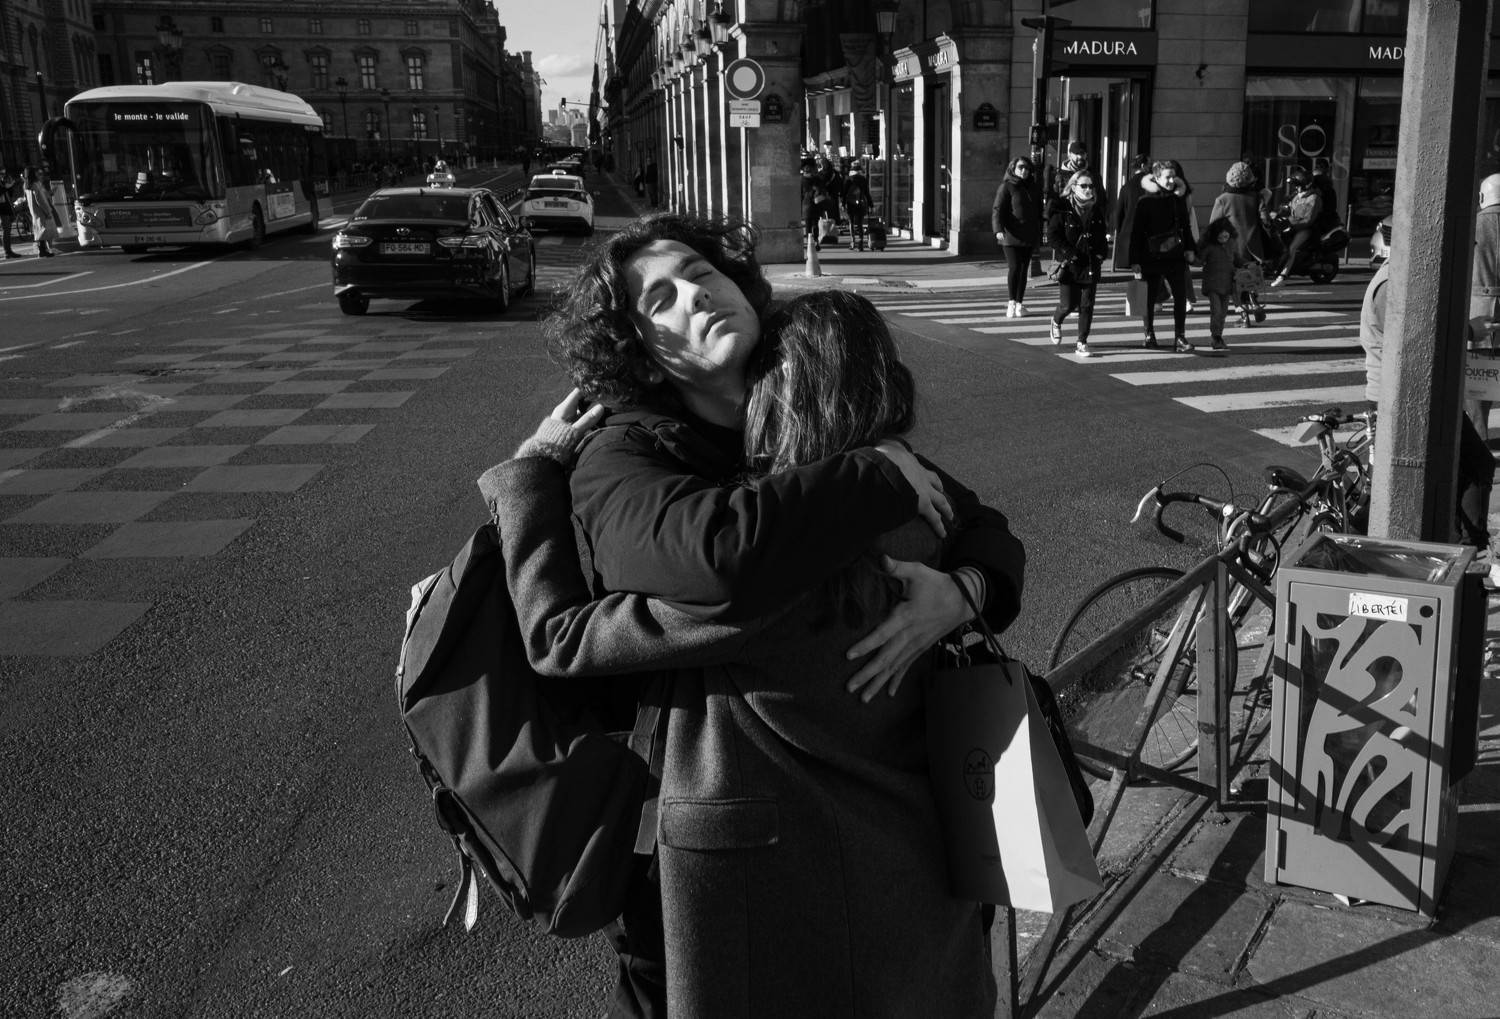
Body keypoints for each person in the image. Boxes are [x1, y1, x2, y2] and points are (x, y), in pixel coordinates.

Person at [518, 213, 1025, 1019]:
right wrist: (875, 472)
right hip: (744, 856)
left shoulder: (801, 410)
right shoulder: (627, 454)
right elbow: (715, 560)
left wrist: (964, 590)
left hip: (890, 841)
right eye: (659, 299)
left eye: (702, 273)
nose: (694, 295)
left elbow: (983, 529)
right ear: (637, 349)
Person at [1360, 232, 1494, 555]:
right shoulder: (1391, 284)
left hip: (1417, 394)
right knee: (1465, 466)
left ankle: (1464, 545)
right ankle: (1465, 548)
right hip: (1403, 398)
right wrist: (1468, 330)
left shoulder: (1404, 277)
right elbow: (1416, 340)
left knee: (1468, 466)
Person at [1129, 159, 1198, 351]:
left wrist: (1190, 249)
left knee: (1180, 296)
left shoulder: (1178, 199)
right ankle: (1149, 334)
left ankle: (1180, 337)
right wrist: (1134, 260)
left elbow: (1186, 227)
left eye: (1173, 176)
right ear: (1157, 178)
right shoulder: (1145, 201)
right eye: (1167, 177)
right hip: (1151, 256)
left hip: (1175, 255)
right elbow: (1136, 232)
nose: (1171, 181)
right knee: (1149, 298)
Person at [1046, 170, 1108, 358]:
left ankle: (1082, 342)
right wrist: (1069, 253)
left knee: (1086, 305)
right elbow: (1053, 236)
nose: (1088, 189)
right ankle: (1056, 321)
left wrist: (1101, 254)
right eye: (1084, 186)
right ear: (1073, 187)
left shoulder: (1095, 209)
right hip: (1070, 264)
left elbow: (1101, 235)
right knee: (1068, 305)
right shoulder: (1062, 208)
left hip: (1090, 264)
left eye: (1091, 186)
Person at [992, 155, 1042, 317]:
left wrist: (1040, 230)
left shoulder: (1033, 187)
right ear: (1013, 168)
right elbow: (997, 209)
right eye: (1021, 167)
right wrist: (998, 229)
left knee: (1023, 270)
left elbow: (1038, 212)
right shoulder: (1007, 187)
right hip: (1010, 235)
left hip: (1028, 235)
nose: (1024, 171)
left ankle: (1020, 304)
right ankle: (1011, 302)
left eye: (1027, 168)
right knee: (1014, 267)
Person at [1470, 173, 1500, 442]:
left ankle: (1479, 450)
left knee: (1477, 396)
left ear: (1482, 197)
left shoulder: (1474, 226)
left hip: (1480, 318)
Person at [1271, 166, 1321, 287]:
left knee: (1291, 248)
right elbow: (1287, 208)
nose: (1296, 188)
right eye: (1295, 185)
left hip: (1305, 228)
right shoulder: (1296, 196)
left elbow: (1308, 220)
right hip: (1292, 225)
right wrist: (1277, 214)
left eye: (1298, 185)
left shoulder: (1313, 198)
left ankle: (1282, 276)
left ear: (1306, 185)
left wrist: (1292, 225)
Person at [1200, 216, 1239, 354]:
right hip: (1213, 285)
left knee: (1222, 313)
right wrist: (1191, 259)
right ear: (1214, 234)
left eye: (1226, 234)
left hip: (1227, 285)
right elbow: (1199, 260)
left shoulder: (1231, 245)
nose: (1224, 237)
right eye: (1220, 234)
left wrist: (1248, 263)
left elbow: (1237, 259)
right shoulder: (1210, 248)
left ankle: (1218, 336)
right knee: (1216, 311)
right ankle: (1216, 337)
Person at [1112, 153, 1151, 272]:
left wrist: (1119, 233)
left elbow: (1119, 214)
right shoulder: (1151, 185)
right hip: (1148, 237)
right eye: (1149, 165)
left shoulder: (1126, 187)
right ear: (1143, 165)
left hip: (1128, 238)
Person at [24, 166, 59, 258]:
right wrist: (47, 211)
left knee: (39, 230)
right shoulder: (35, 185)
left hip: (34, 211)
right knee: (43, 230)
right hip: (41, 210)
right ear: (33, 174)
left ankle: (42, 250)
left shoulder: (27, 185)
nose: (38, 174)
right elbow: (40, 199)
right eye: (37, 172)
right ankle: (43, 250)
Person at [800, 160, 831, 250]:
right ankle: (816, 241)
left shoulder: (801, 180)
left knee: (808, 226)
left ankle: (809, 243)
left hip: (806, 204)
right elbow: (823, 190)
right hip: (817, 204)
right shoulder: (817, 179)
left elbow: (800, 194)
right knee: (815, 224)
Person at [1050, 139, 1090, 204]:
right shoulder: (1060, 176)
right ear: (1070, 155)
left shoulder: (1093, 175)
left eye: (1082, 153)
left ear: (1086, 154)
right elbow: (1055, 200)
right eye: (1077, 153)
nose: (1080, 156)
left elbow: (1101, 199)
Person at [842, 164, 872, 251]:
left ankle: (853, 242)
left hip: (850, 203)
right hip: (861, 203)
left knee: (851, 222)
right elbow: (867, 193)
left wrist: (843, 204)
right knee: (860, 223)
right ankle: (861, 243)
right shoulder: (863, 180)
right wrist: (871, 205)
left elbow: (844, 194)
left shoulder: (848, 180)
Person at [0, 167, 19, 258]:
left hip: (7, 208)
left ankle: (9, 250)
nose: (3, 176)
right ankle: (7, 252)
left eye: (4, 174)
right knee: (6, 230)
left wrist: (10, 186)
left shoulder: (2, 182)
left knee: (7, 230)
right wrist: (6, 187)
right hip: (2, 210)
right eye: (1, 174)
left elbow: (9, 194)